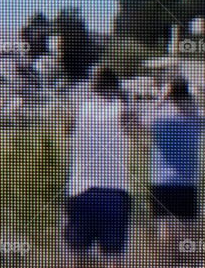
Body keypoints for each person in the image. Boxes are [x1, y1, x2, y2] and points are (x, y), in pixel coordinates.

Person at [64, 66, 141, 267]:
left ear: (92, 87)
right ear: (115, 87)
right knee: (113, 258)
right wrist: (126, 100)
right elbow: (140, 138)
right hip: (114, 191)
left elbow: (64, 133)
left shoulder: (77, 109)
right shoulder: (124, 110)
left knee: (78, 256)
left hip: (81, 190)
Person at [146, 76, 205, 264]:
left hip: (161, 182)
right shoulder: (196, 119)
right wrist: (193, 98)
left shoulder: (159, 118)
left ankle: (166, 263)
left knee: (165, 231)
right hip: (187, 182)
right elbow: (204, 119)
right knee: (189, 234)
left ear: (169, 95)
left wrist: (160, 98)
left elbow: (142, 121)